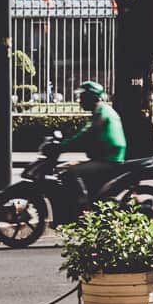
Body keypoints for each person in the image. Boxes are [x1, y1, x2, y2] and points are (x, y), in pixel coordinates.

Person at [52, 80, 127, 208]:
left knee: (71, 172)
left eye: (82, 97)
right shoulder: (102, 110)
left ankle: (82, 206)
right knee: (66, 168)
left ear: (90, 98)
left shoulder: (101, 113)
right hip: (105, 158)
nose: (80, 101)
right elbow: (86, 134)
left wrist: (64, 146)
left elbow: (86, 134)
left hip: (108, 160)